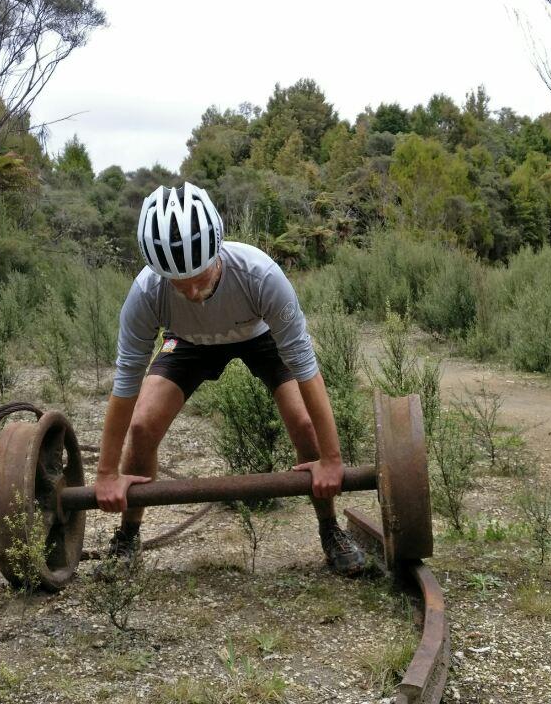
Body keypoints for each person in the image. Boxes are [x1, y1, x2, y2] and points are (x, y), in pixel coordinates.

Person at [92, 182, 366, 576]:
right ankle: (128, 538)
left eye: (200, 276)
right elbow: (125, 385)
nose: (192, 291)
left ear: (216, 250)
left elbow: (305, 367)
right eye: (178, 282)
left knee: (305, 424)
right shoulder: (146, 292)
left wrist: (332, 460)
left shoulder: (260, 276)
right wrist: (105, 475)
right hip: (186, 343)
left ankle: (330, 529)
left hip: (259, 338)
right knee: (142, 426)